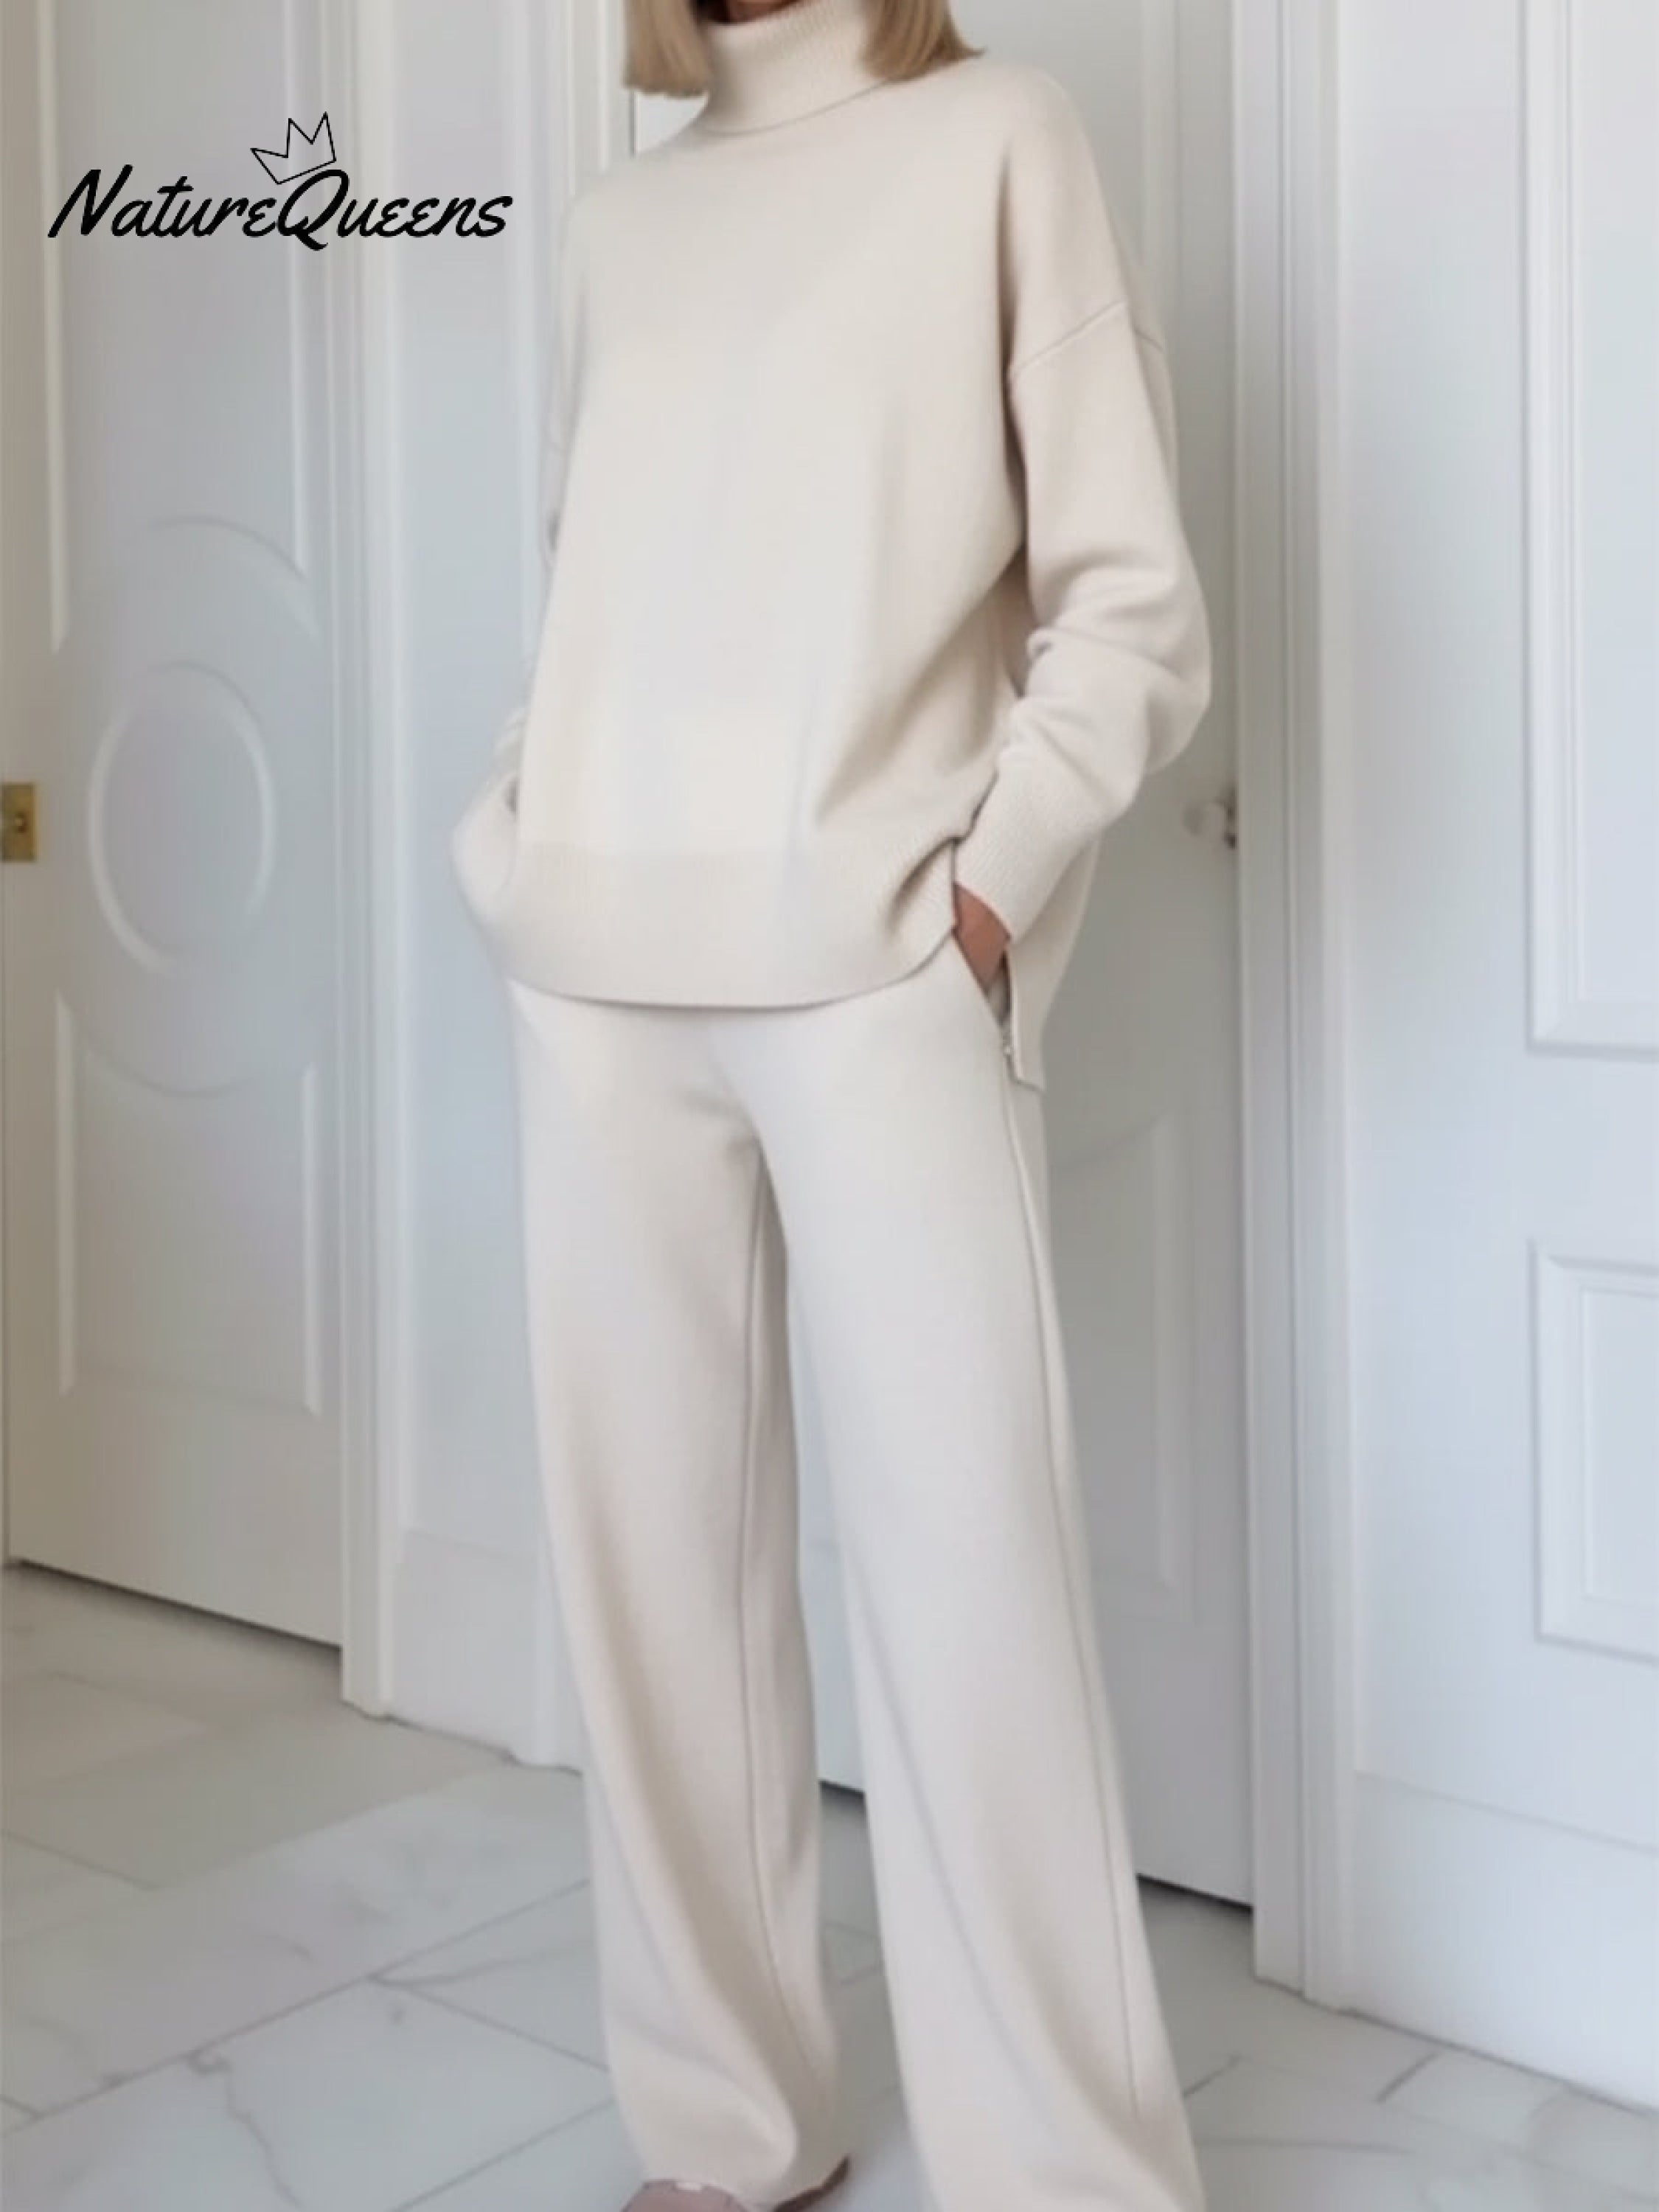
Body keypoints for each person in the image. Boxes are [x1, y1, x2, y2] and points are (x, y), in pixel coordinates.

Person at [450, 0, 1214, 2205]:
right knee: (655, 1601)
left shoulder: (998, 139)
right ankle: (728, 2127)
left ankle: (1066, 2180)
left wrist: (985, 888)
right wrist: (517, 839)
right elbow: (593, 586)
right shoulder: (621, 221)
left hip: (875, 969)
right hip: (596, 975)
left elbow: (1129, 602)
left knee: (973, 1593)